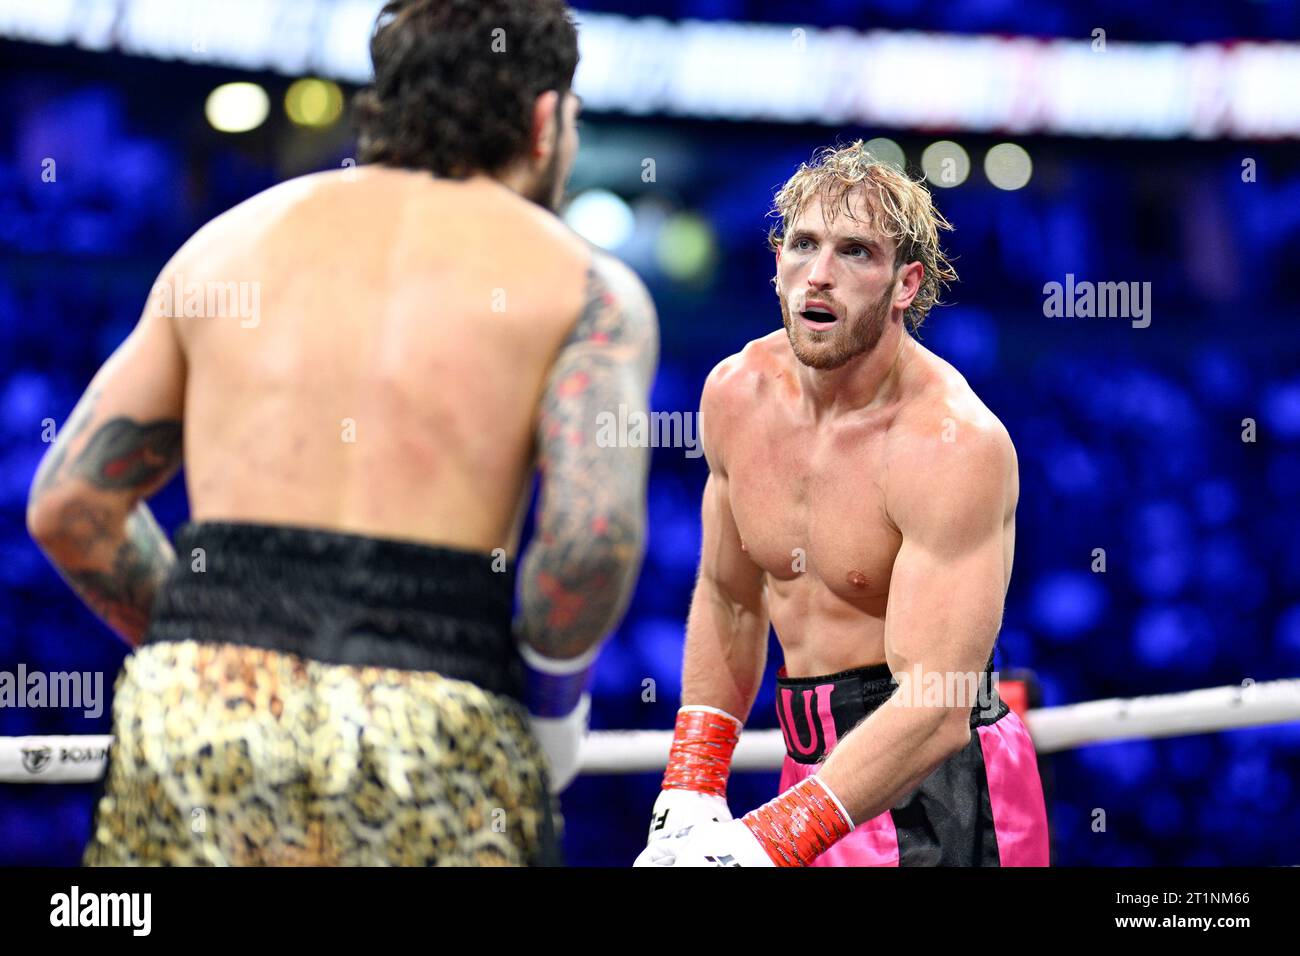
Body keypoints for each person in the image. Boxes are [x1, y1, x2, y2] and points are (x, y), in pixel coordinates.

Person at [26, 0, 657, 866]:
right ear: (547, 121)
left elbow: (70, 504)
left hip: (201, 717)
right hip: (434, 715)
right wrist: (549, 707)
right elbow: (590, 539)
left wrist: (212, 643)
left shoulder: (223, 249)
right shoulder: (584, 285)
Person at [636, 142, 1048, 867]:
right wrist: (693, 779)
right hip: (811, 774)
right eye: (803, 245)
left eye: (855, 252)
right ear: (776, 262)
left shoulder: (951, 442)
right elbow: (730, 596)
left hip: (941, 788)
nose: (819, 276)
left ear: (903, 283)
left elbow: (936, 706)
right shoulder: (735, 394)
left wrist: (770, 839)